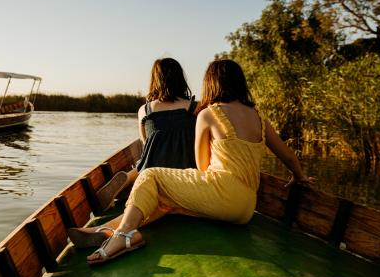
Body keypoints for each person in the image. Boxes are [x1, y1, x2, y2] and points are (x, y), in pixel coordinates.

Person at [75, 59, 315, 265]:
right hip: (245, 208)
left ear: (212, 83)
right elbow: (289, 156)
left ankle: (124, 234)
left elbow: (202, 168)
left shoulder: (209, 114)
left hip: (222, 196)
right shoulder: (258, 117)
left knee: (151, 176)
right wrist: (299, 177)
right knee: (164, 200)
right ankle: (110, 231)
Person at [97, 57, 197, 210]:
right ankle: (130, 180)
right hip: (184, 168)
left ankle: (128, 179)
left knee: (144, 164)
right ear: (180, 79)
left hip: (152, 167)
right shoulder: (195, 108)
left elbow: (145, 141)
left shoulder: (145, 110)